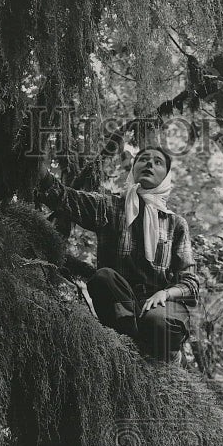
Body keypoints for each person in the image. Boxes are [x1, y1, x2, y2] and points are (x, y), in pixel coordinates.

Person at [36, 145, 198, 362]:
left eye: (158, 162)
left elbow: (190, 283)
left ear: (166, 176)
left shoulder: (175, 224)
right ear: (133, 169)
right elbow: (67, 199)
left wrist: (165, 294)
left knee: (158, 321)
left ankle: (165, 351)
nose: (149, 163)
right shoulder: (110, 207)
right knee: (103, 278)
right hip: (121, 303)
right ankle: (132, 340)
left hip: (160, 304)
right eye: (143, 159)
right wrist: (38, 170)